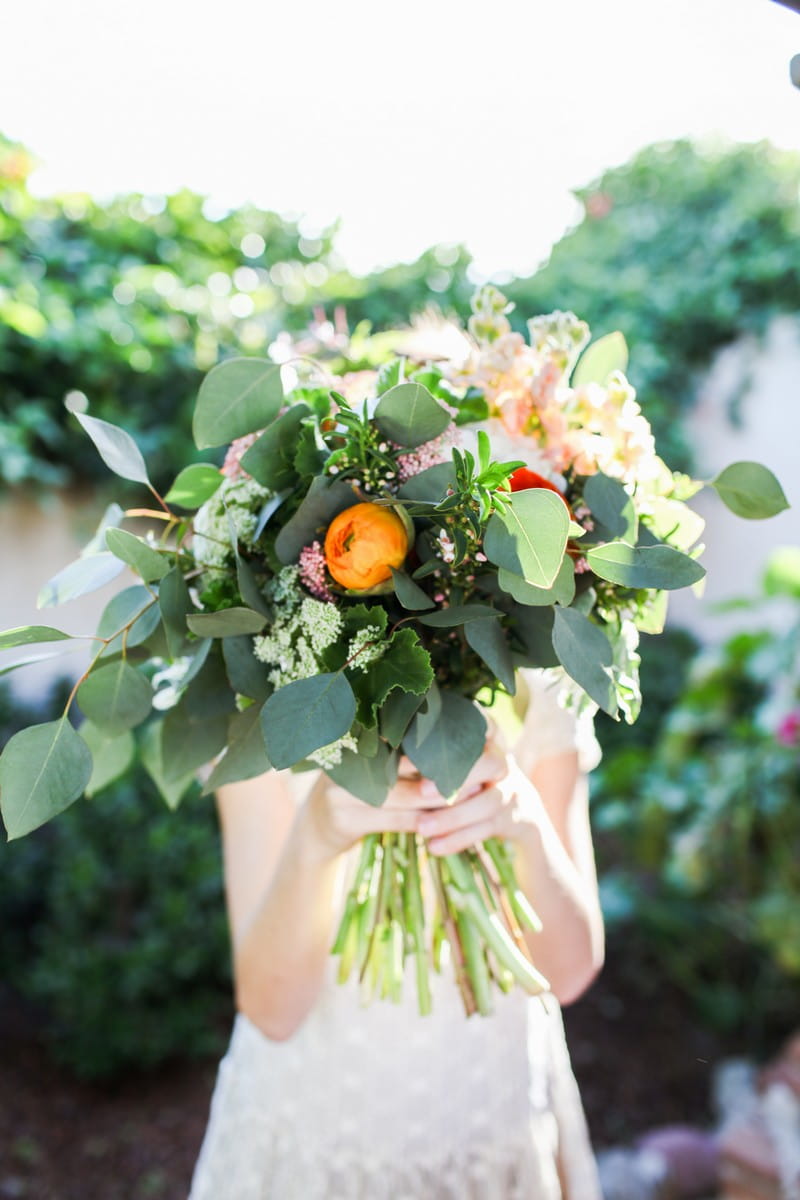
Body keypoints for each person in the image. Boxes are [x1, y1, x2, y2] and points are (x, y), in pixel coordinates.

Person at [189, 668, 605, 1200]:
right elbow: (270, 1007)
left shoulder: (548, 674)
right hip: (315, 1129)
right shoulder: (254, 684)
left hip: (493, 1108)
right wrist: (316, 834)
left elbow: (568, 973)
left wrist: (525, 825)